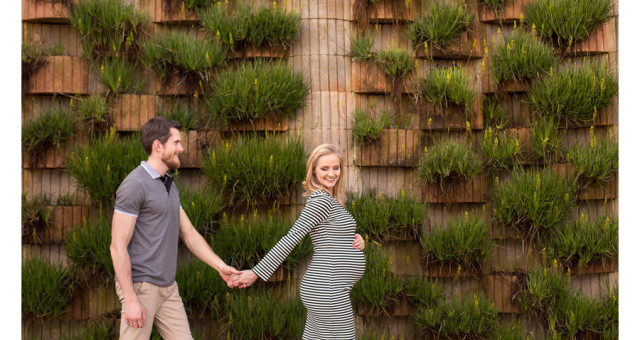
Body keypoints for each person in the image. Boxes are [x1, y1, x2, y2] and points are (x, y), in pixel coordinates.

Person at [110, 117, 240, 340]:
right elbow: (117, 246)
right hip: (141, 288)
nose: (181, 148)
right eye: (176, 143)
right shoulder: (134, 185)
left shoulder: (168, 184)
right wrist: (131, 300)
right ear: (158, 146)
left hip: (168, 288)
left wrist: (220, 266)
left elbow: (188, 234)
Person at [229, 143, 367, 340]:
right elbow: (292, 237)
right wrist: (256, 272)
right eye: (324, 168)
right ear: (313, 171)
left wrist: (356, 239)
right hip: (327, 289)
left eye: (336, 168)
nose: (331, 173)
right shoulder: (321, 200)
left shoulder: (331, 200)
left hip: (326, 288)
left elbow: (331, 236)